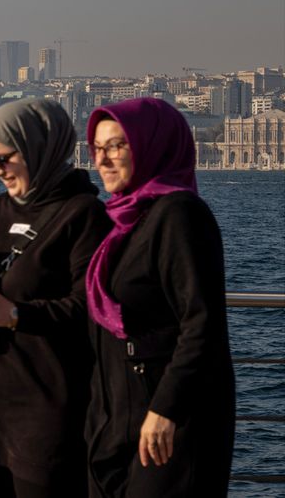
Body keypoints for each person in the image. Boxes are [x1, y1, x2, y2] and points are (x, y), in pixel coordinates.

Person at [0, 99, 110, 498]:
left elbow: (89, 309)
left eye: (4, 160)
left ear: (37, 149)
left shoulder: (84, 216)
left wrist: (15, 315)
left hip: (46, 417)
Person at [84, 98, 235, 496]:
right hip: (116, 421)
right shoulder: (120, 222)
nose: (104, 160)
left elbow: (201, 324)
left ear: (152, 145)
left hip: (166, 426)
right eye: (97, 149)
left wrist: (167, 408)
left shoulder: (180, 215)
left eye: (118, 145)